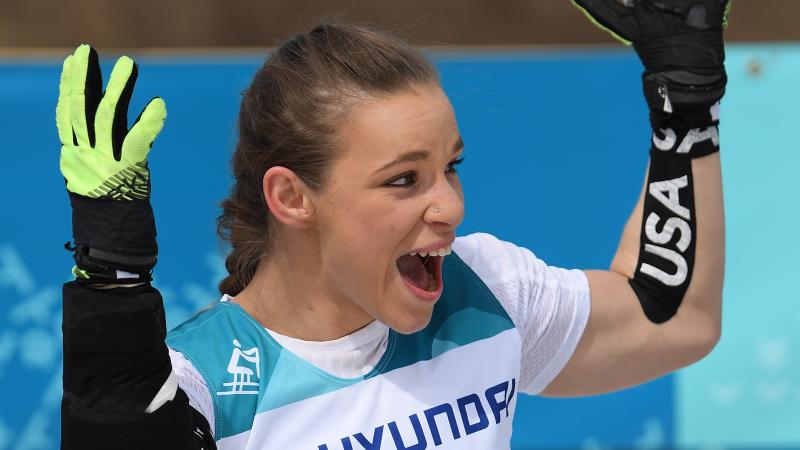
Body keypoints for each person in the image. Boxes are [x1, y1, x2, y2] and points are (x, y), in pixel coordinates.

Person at [58, 1, 730, 448]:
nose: (450, 207)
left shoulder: (483, 289)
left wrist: (685, 103)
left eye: (450, 168)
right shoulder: (201, 385)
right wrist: (111, 290)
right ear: (291, 198)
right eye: (404, 180)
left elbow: (669, 318)